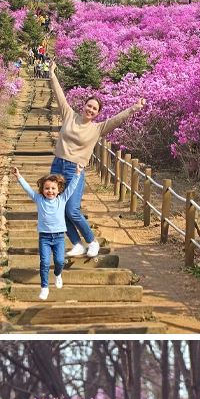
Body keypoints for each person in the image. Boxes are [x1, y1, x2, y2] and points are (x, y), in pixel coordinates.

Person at [49, 60, 145, 257]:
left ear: (97, 113)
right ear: (83, 105)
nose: (90, 110)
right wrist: (51, 73)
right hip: (58, 164)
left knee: (72, 209)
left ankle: (92, 241)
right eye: (88, 106)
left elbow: (117, 119)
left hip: (74, 170)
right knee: (58, 208)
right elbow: (59, 95)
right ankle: (77, 244)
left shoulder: (98, 128)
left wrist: (134, 107)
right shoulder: (69, 115)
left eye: (94, 109)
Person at [11, 162, 85, 300]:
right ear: (42, 190)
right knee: (44, 263)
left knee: (60, 261)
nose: (50, 191)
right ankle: (44, 287)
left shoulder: (62, 199)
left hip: (59, 238)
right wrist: (18, 176)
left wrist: (77, 173)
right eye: (47, 188)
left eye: (53, 188)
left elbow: (72, 187)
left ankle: (57, 274)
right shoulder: (39, 199)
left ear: (58, 190)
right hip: (44, 238)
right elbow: (28, 189)